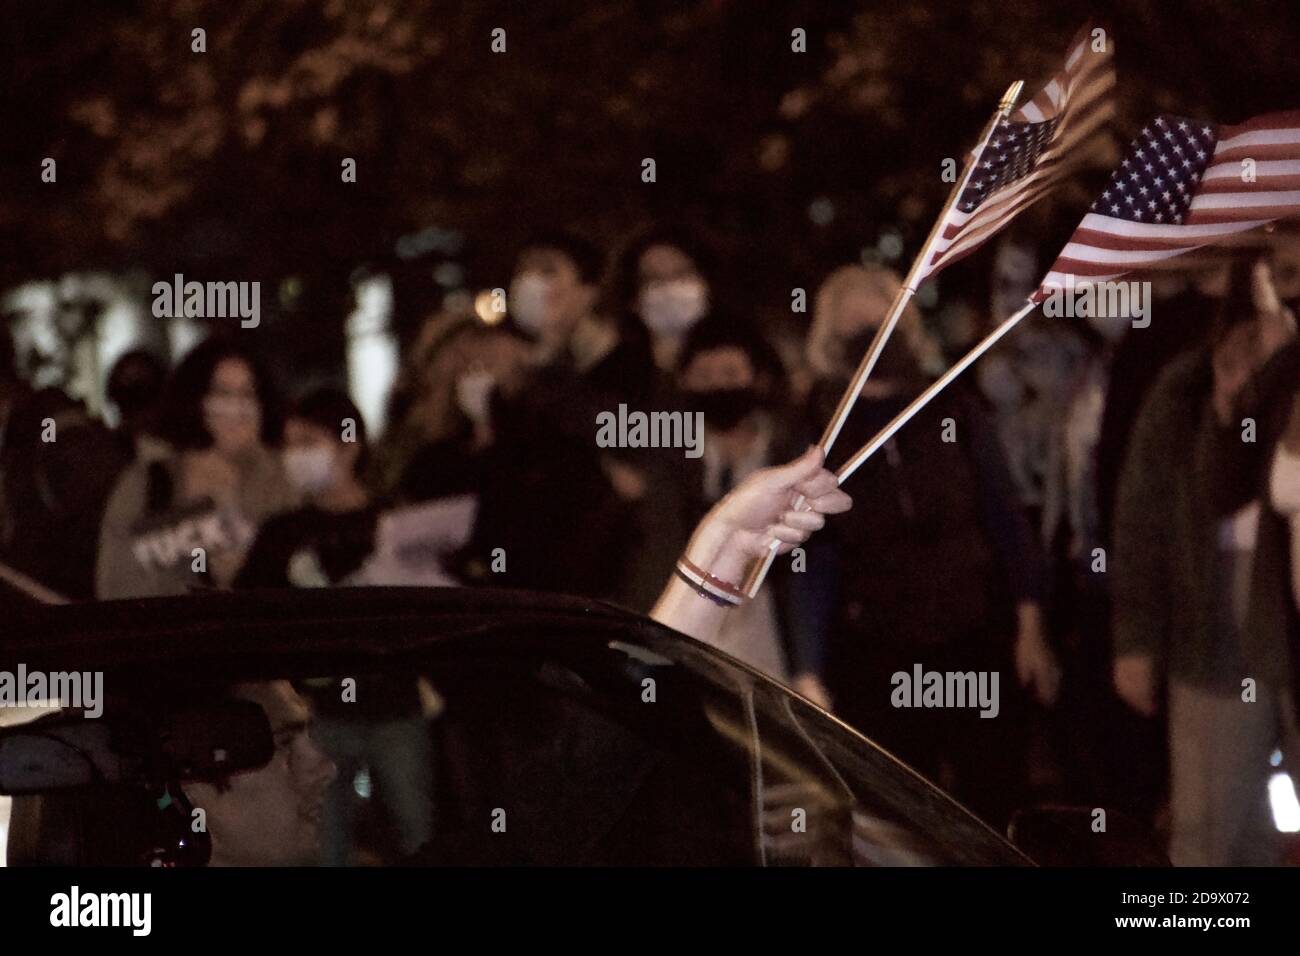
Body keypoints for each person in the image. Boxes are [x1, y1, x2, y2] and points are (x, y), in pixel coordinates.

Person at [806, 263, 1055, 828]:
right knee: (897, 816)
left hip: (971, 636)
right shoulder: (818, 428)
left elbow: (1003, 512)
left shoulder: (952, 407)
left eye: (885, 324)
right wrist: (808, 667)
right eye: (856, 329)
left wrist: (1030, 621)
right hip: (877, 652)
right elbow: (814, 560)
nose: (874, 340)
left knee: (993, 801)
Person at [1112, 256, 1297, 866]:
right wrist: (1136, 639)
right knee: (1214, 832)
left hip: (1284, 618)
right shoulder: (1189, 383)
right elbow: (1148, 513)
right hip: (1216, 623)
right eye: (1279, 273)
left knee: (1261, 835)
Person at [96, 337, 297, 598]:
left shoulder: (283, 480)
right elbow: (114, 585)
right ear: (196, 400)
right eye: (222, 393)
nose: (236, 408)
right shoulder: (146, 484)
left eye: (247, 393)